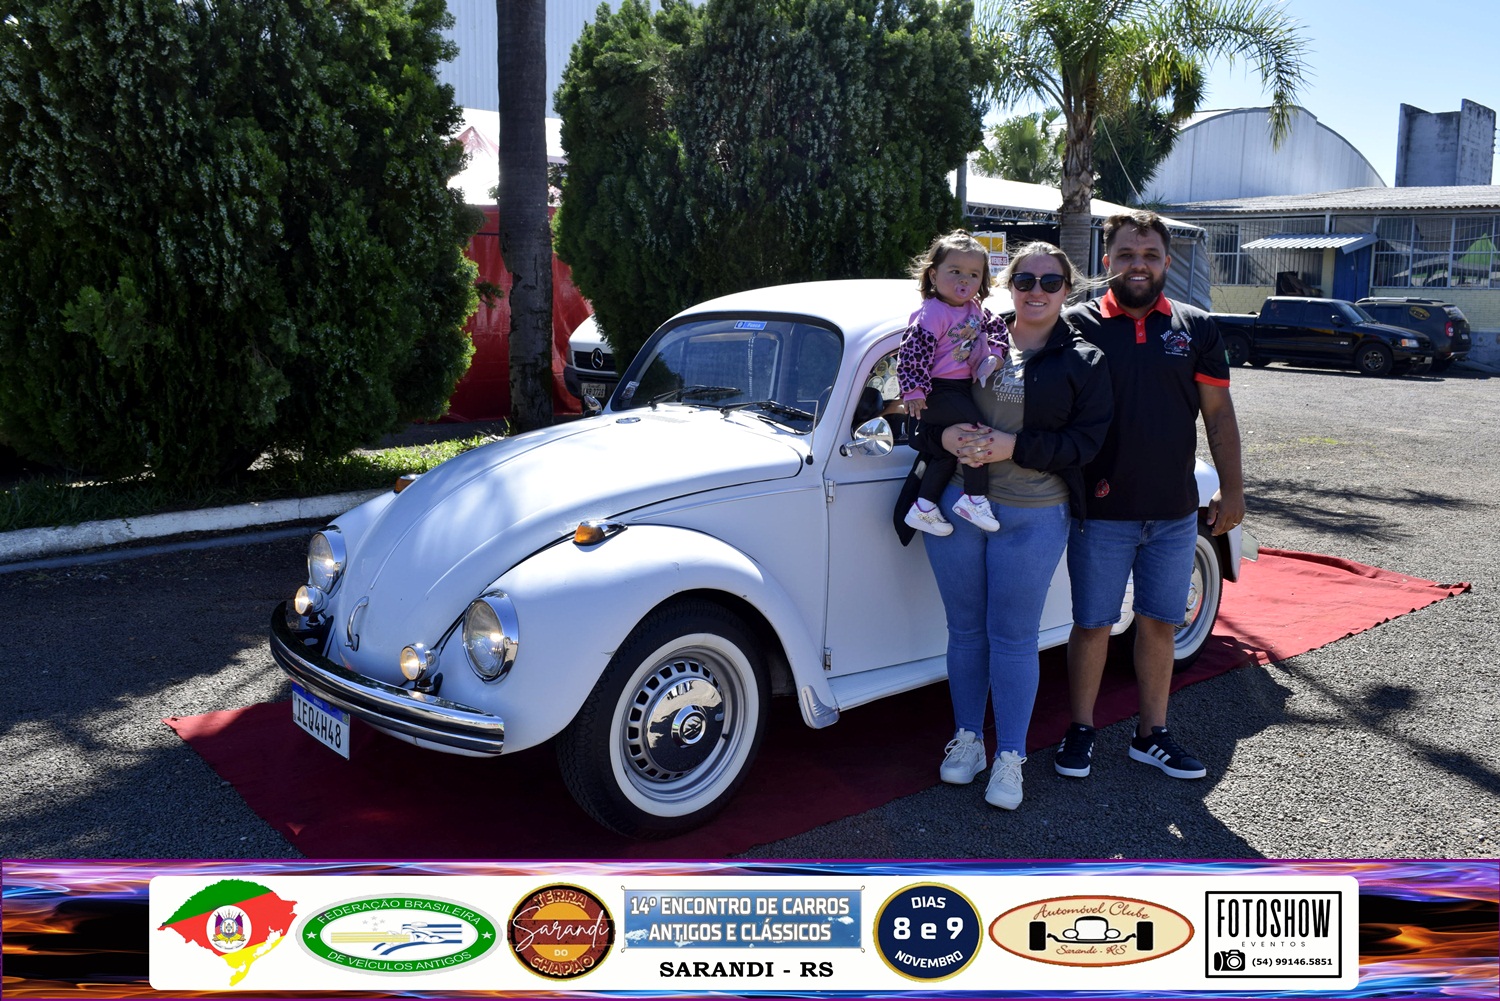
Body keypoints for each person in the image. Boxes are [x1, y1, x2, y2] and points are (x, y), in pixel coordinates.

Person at [920, 242, 1112, 810]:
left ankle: (1010, 756)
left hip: (1034, 512)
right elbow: (922, 401)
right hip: (958, 502)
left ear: (1067, 290)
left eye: (1050, 282)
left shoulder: (1085, 360)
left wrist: (1014, 447)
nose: (1036, 291)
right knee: (964, 631)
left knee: (1012, 637)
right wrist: (943, 436)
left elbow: (1085, 444)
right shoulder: (972, 332)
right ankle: (968, 740)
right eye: (1024, 280)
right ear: (1008, 283)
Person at [1056, 210, 1246, 782]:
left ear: (1166, 261)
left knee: (1160, 623)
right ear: (1107, 260)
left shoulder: (1197, 327)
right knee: (1092, 624)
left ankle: (1151, 735)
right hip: (1100, 511)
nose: (1138, 265)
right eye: (1126, 255)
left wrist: (1233, 488)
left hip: (1173, 512)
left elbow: (1218, 414)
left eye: (1150, 256)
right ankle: (1080, 730)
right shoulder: (1075, 324)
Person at [897, 231, 1010, 537]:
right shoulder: (932, 312)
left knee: (948, 452)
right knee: (976, 432)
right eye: (955, 271)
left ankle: (923, 507)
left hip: (959, 388)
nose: (964, 280)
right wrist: (913, 389)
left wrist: (995, 355)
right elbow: (912, 351)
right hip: (935, 389)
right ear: (934, 275)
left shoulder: (975, 309)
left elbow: (997, 328)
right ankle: (974, 498)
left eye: (974, 274)